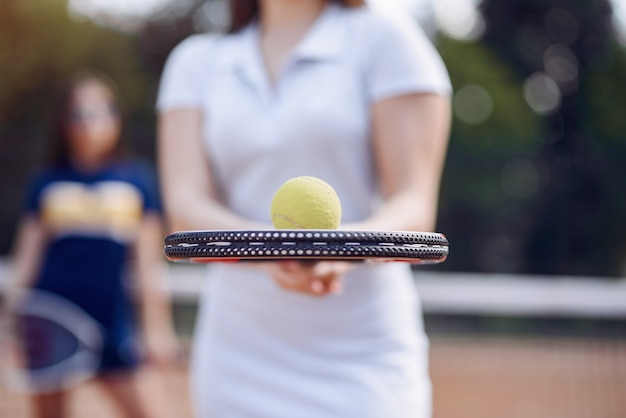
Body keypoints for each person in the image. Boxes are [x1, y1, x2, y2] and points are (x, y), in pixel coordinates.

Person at [157, 0, 451, 417]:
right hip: (237, 350)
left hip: (362, 349)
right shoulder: (194, 61)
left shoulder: (389, 42)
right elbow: (185, 204)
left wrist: (344, 250)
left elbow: (414, 202)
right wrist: (267, 252)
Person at [9, 71, 180, 418]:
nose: (89, 123)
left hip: (111, 318)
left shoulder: (137, 179)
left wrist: (156, 329)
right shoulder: (47, 182)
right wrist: (11, 318)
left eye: (100, 111)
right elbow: (26, 258)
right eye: (78, 114)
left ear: (116, 117)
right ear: (63, 122)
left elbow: (147, 265)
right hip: (50, 314)